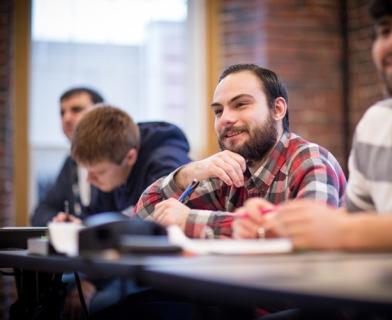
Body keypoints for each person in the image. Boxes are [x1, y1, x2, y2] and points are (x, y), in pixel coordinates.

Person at [242, 0, 392, 251]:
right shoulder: (375, 124)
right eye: (385, 31)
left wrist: (342, 231)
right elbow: (359, 220)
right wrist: (282, 225)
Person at [135, 63, 346, 238]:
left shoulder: (310, 160)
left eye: (241, 104)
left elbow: (307, 234)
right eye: (218, 111)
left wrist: (189, 220)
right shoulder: (229, 171)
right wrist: (191, 172)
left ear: (278, 109)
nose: (225, 118)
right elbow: (144, 212)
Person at [54, 105, 191, 318]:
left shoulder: (165, 161)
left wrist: (93, 281)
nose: (90, 180)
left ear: (130, 157)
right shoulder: (109, 168)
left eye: (98, 172)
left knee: (90, 305)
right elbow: (99, 220)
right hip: (123, 264)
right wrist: (81, 227)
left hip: (164, 271)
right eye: (87, 172)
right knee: (60, 288)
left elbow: (157, 228)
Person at [31, 87, 104, 226]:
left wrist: (83, 225)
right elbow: (41, 212)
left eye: (76, 109)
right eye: (62, 112)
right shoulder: (71, 162)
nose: (66, 118)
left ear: (101, 113)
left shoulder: (118, 157)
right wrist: (60, 219)